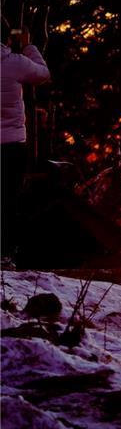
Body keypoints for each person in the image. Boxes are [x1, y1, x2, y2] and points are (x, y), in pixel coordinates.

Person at [1, 28, 51, 259]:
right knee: (9, 200)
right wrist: (29, 46)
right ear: (8, 38)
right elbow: (43, 74)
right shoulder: (16, 62)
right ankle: (6, 252)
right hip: (11, 145)